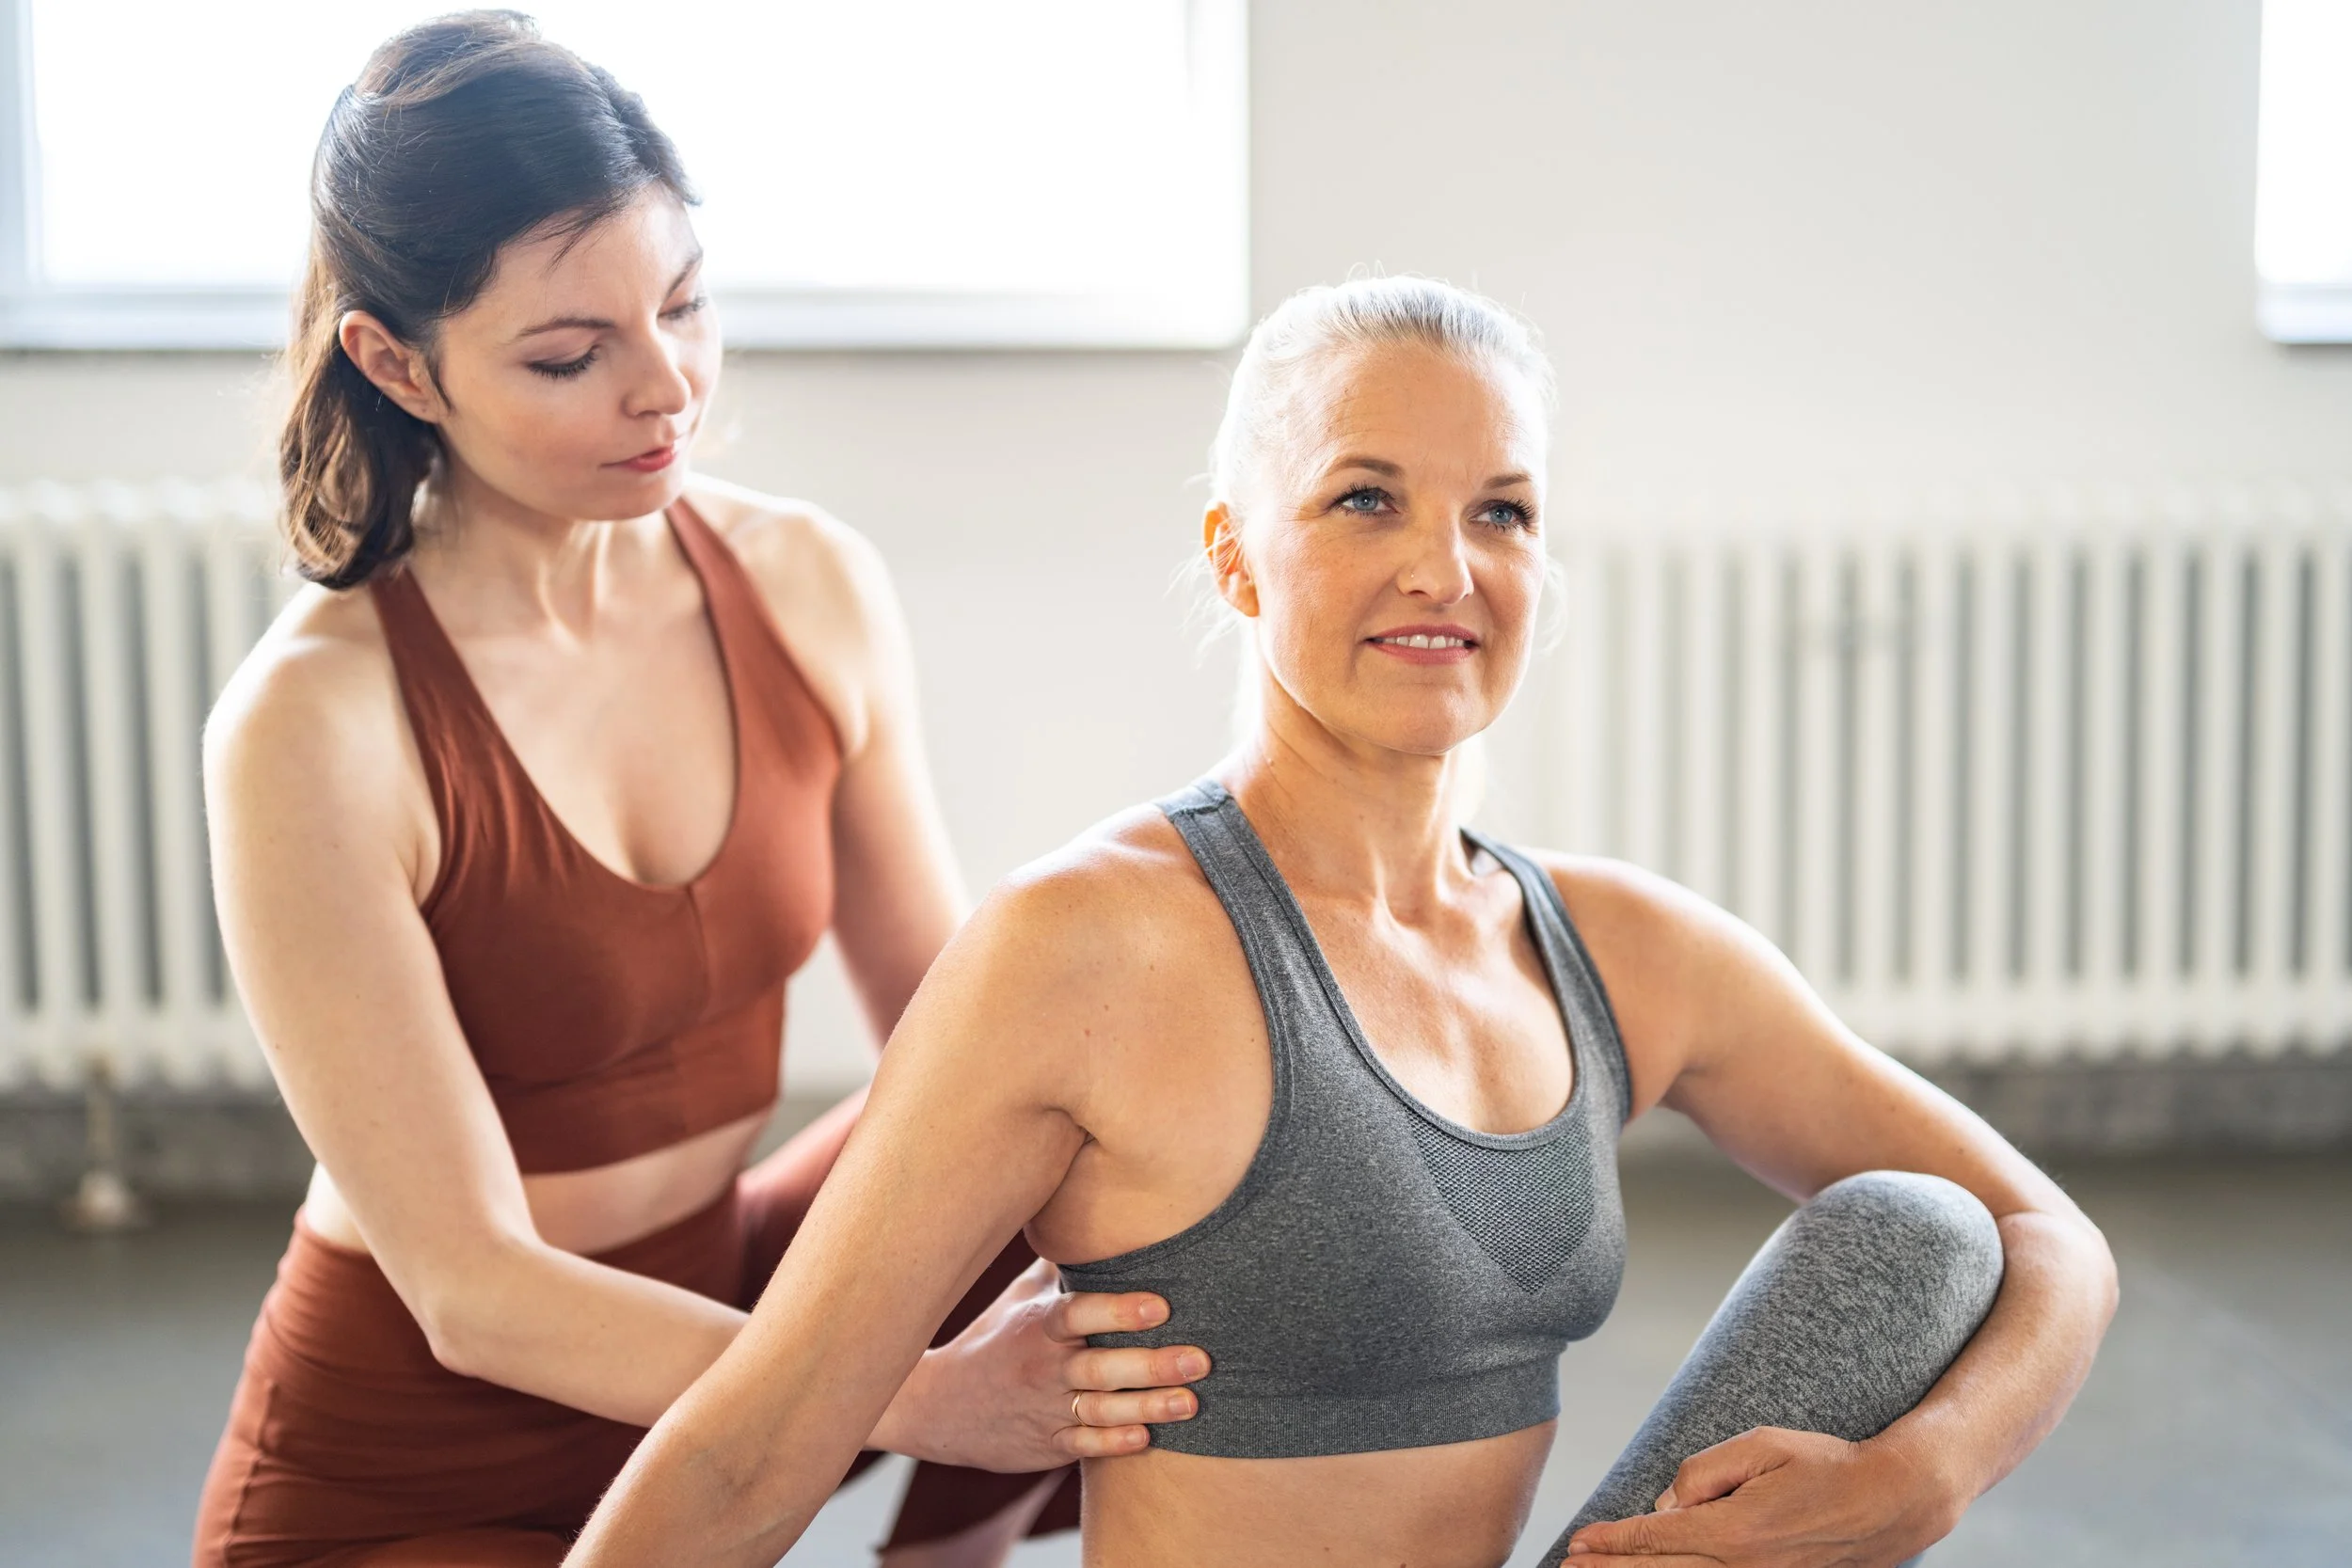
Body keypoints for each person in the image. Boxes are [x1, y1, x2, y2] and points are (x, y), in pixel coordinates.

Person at [562, 276, 2121, 1568]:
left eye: (1502, 513)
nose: (1445, 568)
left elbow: (2053, 1241)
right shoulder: (1091, 947)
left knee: (1918, 1236)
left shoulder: (1617, 948)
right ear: (1238, 554)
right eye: (1366, 498)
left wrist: (1925, 1479)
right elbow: (748, 1450)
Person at [191, 15, 1206, 1567]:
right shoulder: (310, 725)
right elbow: (471, 1289)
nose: (667, 386)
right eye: (568, 354)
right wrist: (914, 1395)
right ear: (398, 365)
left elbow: (959, 1033)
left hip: (722, 1299)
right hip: (421, 1451)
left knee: (1076, 1097)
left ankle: (945, 1555)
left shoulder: (803, 580)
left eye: (683, 304)